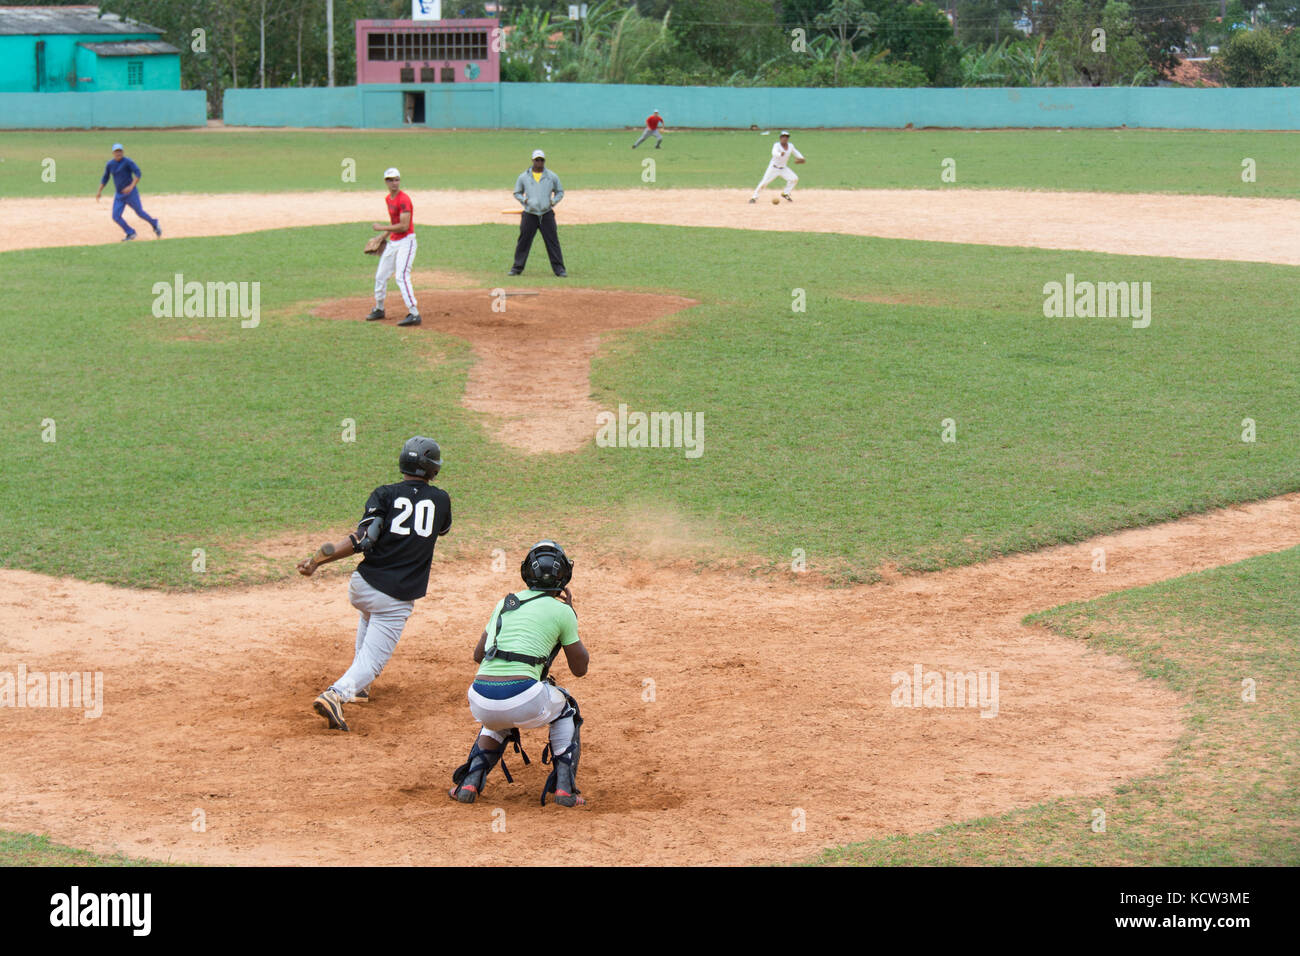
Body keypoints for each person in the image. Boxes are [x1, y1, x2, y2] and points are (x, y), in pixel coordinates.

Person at [298, 436, 451, 732]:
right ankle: (336, 694)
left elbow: (363, 539)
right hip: (395, 596)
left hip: (363, 584)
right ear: (432, 468)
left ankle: (360, 687)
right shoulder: (441, 499)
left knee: (369, 616)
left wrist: (317, 561)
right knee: (374, 659)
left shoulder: (384, 494)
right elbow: (442, 529)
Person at [448, 541, 590, 808]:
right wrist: (570, 615)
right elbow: (580, 669)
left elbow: (479, 655)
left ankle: (469, 782)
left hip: (480, 698)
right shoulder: (562, 612)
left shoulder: (505, 603)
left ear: (526, 573)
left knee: (498, 718)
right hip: (524, 697)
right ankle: (564, 789)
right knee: (567, 707)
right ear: (565, 576)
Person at [365, 167, 421, 327]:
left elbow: (403, 226)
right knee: (380, 276)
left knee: (401, 276)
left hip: (407, 242)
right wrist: (381, 237)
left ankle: (414, 313)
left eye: (396, 179)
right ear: (386, 182)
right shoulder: (388, 199)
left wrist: (381, 229)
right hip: (394, 242)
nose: (394, 182)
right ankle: (379, 309)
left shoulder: (404, 199)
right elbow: (394, 223)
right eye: (391, 180)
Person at [509, 150, 567, 278]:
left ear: (544, 161)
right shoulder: (524, 177)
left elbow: (560, 192)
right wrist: (525, 201)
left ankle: (559, 270)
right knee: (523, 242)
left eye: (541, 160)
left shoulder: (552, 176)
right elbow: (517, 192)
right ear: (532, 161)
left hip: (546, 214)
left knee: (552, 242)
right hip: (530, 214)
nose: (539, 162)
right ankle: (517, 268)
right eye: (537, 160)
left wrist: (553, 202)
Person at [95, 143, 161, 242]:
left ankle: (154, 223)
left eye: (120, 151)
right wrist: (99, 191)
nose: (118, 153)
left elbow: (138, 173)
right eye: (116, 151)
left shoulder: (128, 162)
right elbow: (105, 178)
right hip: (119, 195)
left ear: (123, 152)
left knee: (139, 212)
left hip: (131, 193)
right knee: (116, 216)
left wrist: (131, 186)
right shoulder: (110, 164)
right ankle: (130, 232)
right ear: (113, 153)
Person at [749, 130, 806, 203]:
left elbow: (796, 152)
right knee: (764, 183)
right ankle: (754, 198)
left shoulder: (790, 146)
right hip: (773, 168)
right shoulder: (776, 145)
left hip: (783, 168)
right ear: (780, 138)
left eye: (786, 137)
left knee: (794, 179)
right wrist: (780, 154)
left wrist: (801, 158)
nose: (784, 138)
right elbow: (774, 152)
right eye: (783, 137)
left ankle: (785, 193)